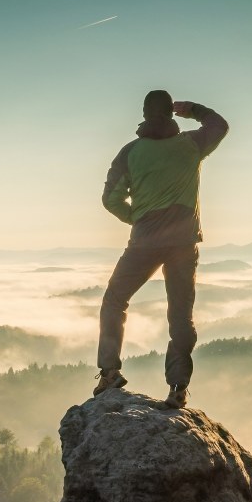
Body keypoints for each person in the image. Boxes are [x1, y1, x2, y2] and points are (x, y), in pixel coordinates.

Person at [93, 89, 229, 408]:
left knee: (115, 300)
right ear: (171, 112)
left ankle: (110, 372)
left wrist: (139, 219)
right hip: (183, 243)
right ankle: (178, 388)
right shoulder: (191, 145)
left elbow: (110, 199)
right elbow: (219, 125)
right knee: (180, 313)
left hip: (144, 241)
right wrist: (195, 109)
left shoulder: (130, 152)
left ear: (143, 113)